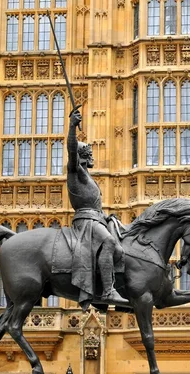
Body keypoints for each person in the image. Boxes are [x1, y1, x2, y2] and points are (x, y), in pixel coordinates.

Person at [67, 109, 128, 308]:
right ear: (83, 156)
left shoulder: (87, 177)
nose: (93, 157)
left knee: (120, 241)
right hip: (86, 221)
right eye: (90, 154)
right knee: (109, 242)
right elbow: (71, 150)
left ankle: (109, 287)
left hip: (97, 219)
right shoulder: (76, 172)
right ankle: (109, 291)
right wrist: (72, 127)